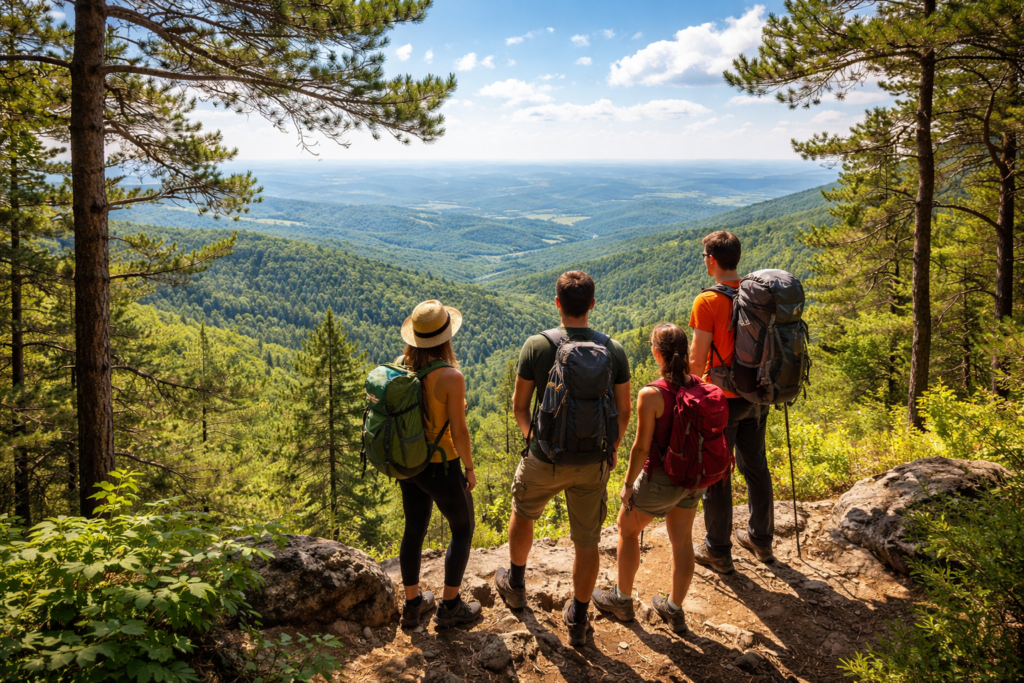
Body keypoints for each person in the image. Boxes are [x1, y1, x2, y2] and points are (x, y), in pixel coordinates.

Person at [494, 271, 632, 646]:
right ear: (592, 304)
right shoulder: (613, 349)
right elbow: (624, 410)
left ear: (557, 303)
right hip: (593, 464)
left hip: (544, 458)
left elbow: (519, 406)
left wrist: (536, 440)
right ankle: (579, 616)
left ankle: (517, 584)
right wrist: (612, 448)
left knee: (523, 513)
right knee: (586, 540)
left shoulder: (537, 346)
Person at [592, 323, 703, 633]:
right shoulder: (701, 385)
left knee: (626, 529)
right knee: (682, 541)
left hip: (661, 480)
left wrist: (628, 486)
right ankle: (674, 609)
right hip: (693, 479)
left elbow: (641, 448)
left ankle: (622, 599)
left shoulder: (652, 394)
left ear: (657, 354)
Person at [689, 231, 774, 573]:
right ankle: (761, 541)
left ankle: (719, 551)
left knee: (718, 473)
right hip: (757, 394)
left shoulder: (707, 301)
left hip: (721, 400)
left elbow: (696, 361)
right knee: (756, 466)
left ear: (711, 260)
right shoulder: (756, 297)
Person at [396, 300, 483, 628]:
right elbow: (459, 432)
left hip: (410, 466)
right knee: (462, 529)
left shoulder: (402, 366)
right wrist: (470, 469)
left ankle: (413, 604)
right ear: (445, 338)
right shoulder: (451, 377)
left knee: (414, 530)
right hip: (441, 467)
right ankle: (450, 607)